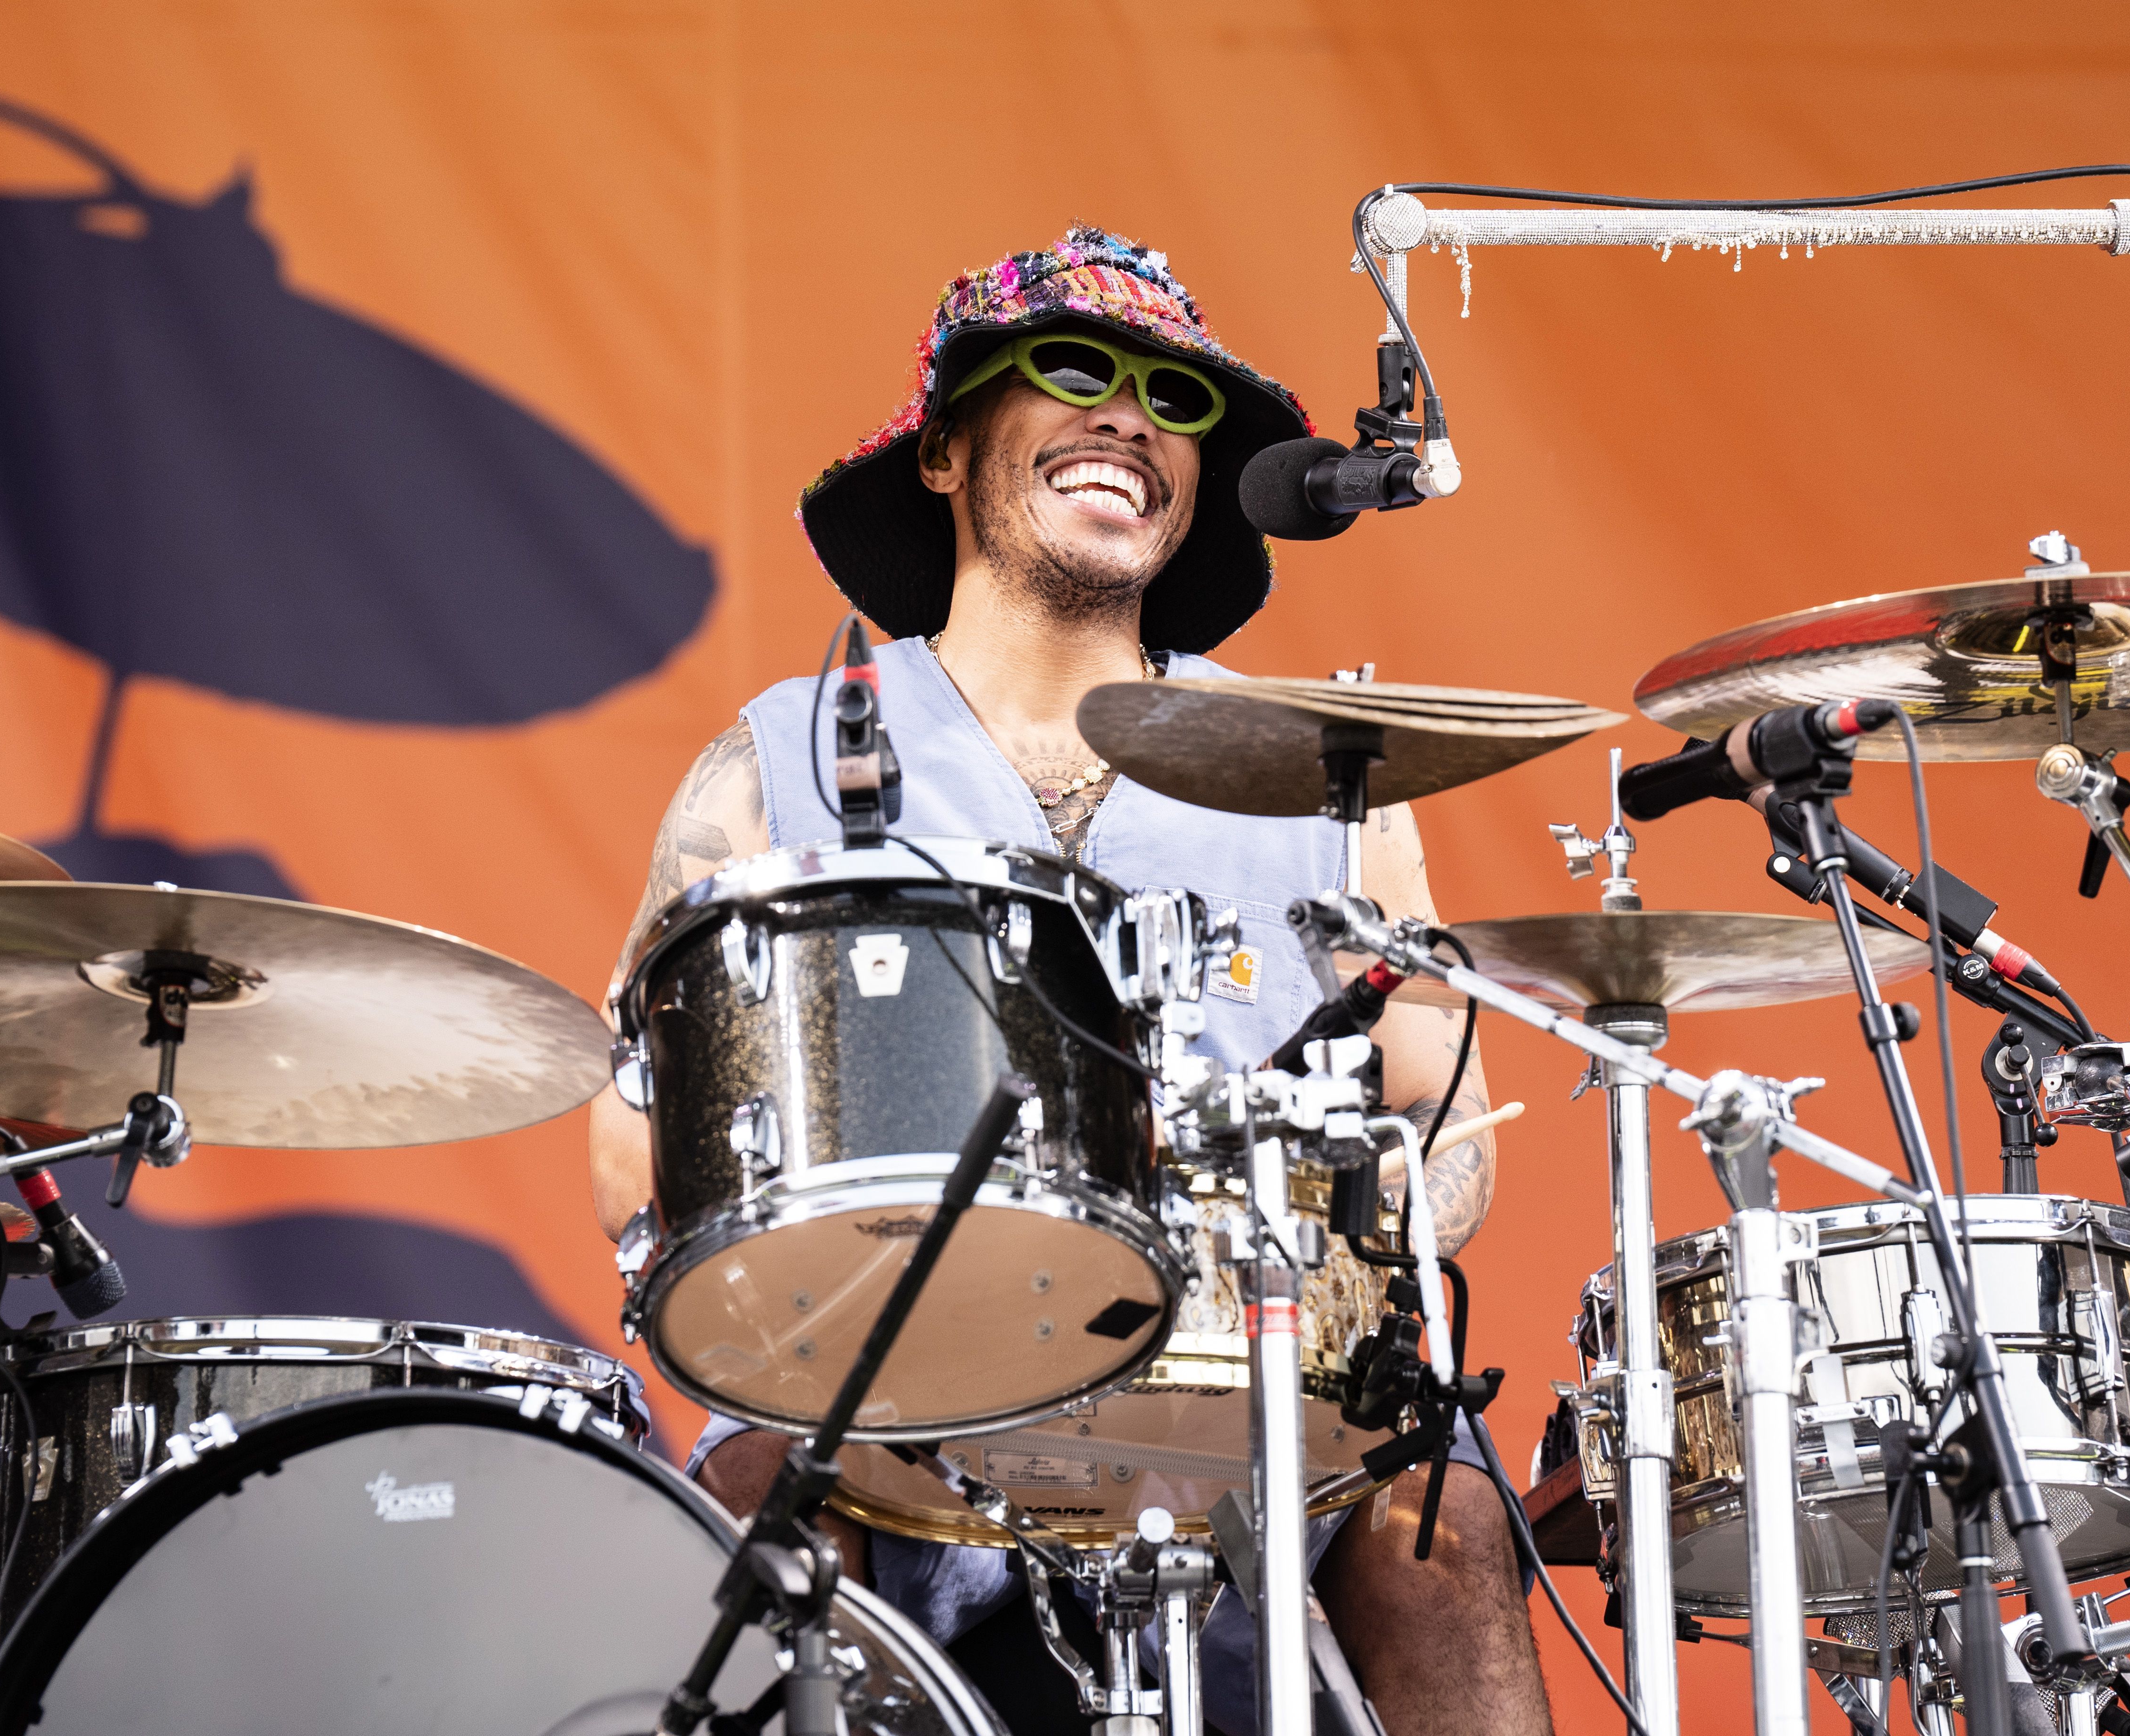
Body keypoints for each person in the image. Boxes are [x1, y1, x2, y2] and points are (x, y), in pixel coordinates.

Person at [588, 227, 1549, 1735]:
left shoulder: (1322, 777)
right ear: (949, 451)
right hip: (893, 1402)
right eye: (1077, 371)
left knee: (1449, 1518)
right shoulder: (773, 766)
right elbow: (635, 1122)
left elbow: (1451, 1120)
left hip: (1250, 1393)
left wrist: (1335, 1236)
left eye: (1174, 403)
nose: (1130, 422)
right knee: (744, 1507)